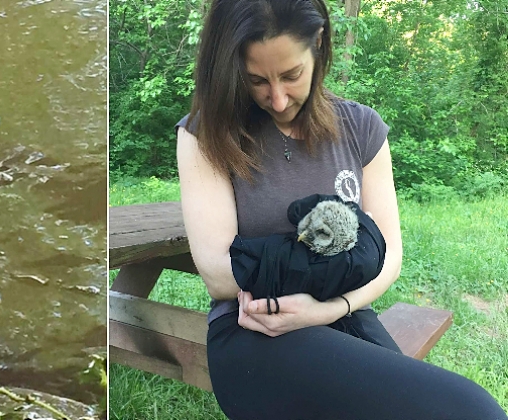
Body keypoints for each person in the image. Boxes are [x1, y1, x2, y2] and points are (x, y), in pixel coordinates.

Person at [175, 0, 508, 419]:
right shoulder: (206, 133)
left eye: (291, 75)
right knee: (471, 411)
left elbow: (388, 257)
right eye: (256, 80)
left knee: (465, 410)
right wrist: (349, 258)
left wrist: (329, 306)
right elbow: (219, 272)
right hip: (254, 330)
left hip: (345, 315)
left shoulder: (361, 127)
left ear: (318, 44)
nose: (277, 99)